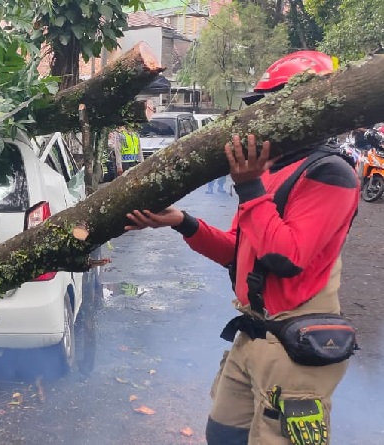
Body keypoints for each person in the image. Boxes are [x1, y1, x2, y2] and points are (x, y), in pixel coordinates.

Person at [126, 51, 359, 444]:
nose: (258, 120)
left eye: (268, 107)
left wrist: (249, 187)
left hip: (294, 349)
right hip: (253, 334)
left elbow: (284, 257)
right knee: (222, 433)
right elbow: (241, 254)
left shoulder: (330, 173)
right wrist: (185, 222)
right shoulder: (271, 171)